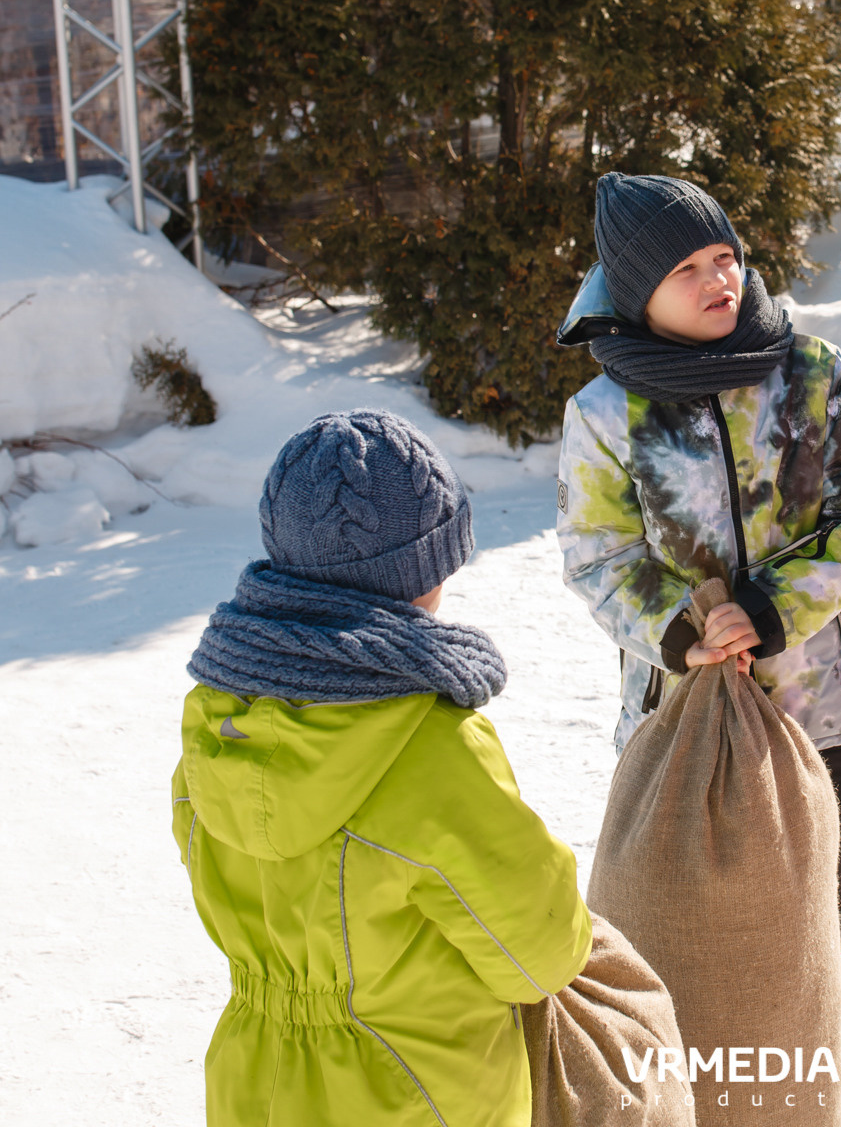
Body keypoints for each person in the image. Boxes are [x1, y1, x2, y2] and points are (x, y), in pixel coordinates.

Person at [171, 410, 593, 1127]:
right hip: (420, 1087)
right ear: (421, 572)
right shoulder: (430, 747)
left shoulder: (217, 725)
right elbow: (538, 955)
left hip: (253, 1082)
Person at [555, 172, 841, 949]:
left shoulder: (812, 371)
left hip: (817, 699)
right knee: (692, 923)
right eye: (685, 269)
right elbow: (597, 555)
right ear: (638, 294)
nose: (717, 278)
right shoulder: (607, 413)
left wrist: (770, 608)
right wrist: (685, 634)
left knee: (812, 917)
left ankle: (810, 1028)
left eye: (724, 256)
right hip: (687, 701)